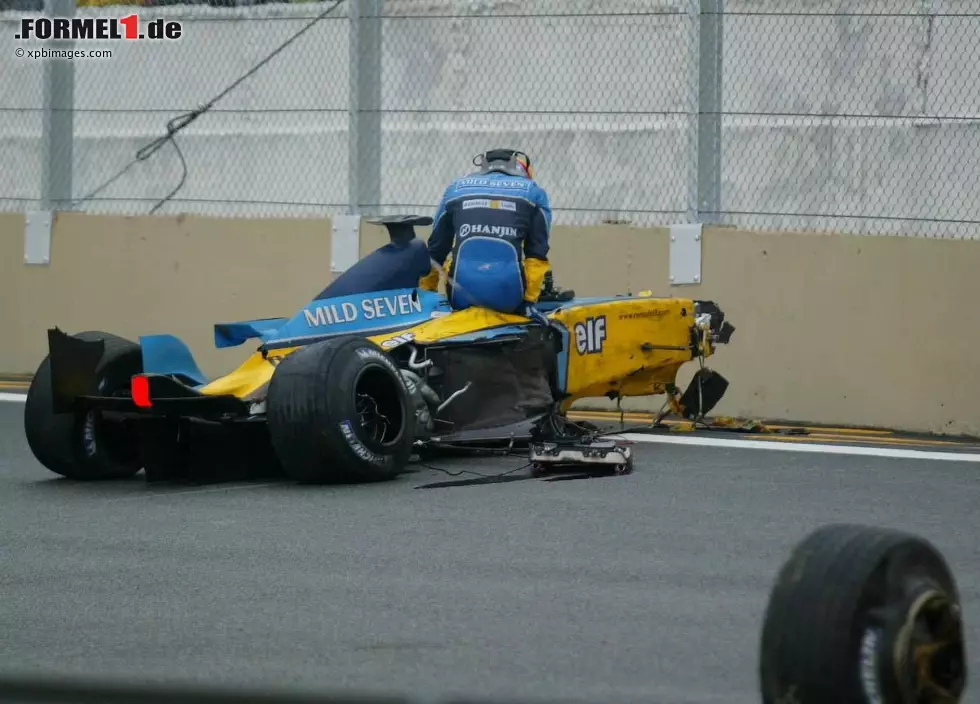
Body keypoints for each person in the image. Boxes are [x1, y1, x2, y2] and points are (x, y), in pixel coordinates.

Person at [419, 149, 552, 317]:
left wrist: (427, 294)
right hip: (510, 296)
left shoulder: (455, 189)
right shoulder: (534, 193)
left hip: (459, 294)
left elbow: (435, 249)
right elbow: (537, 253)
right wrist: (529, 301)